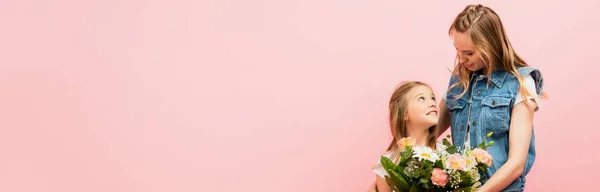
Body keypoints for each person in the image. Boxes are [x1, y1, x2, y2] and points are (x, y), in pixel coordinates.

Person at [370, 81, 440, 192]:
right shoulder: (389, 161)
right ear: (404, 114)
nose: (433, 103)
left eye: (433, 98)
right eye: (421, 98)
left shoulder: (446, 155)